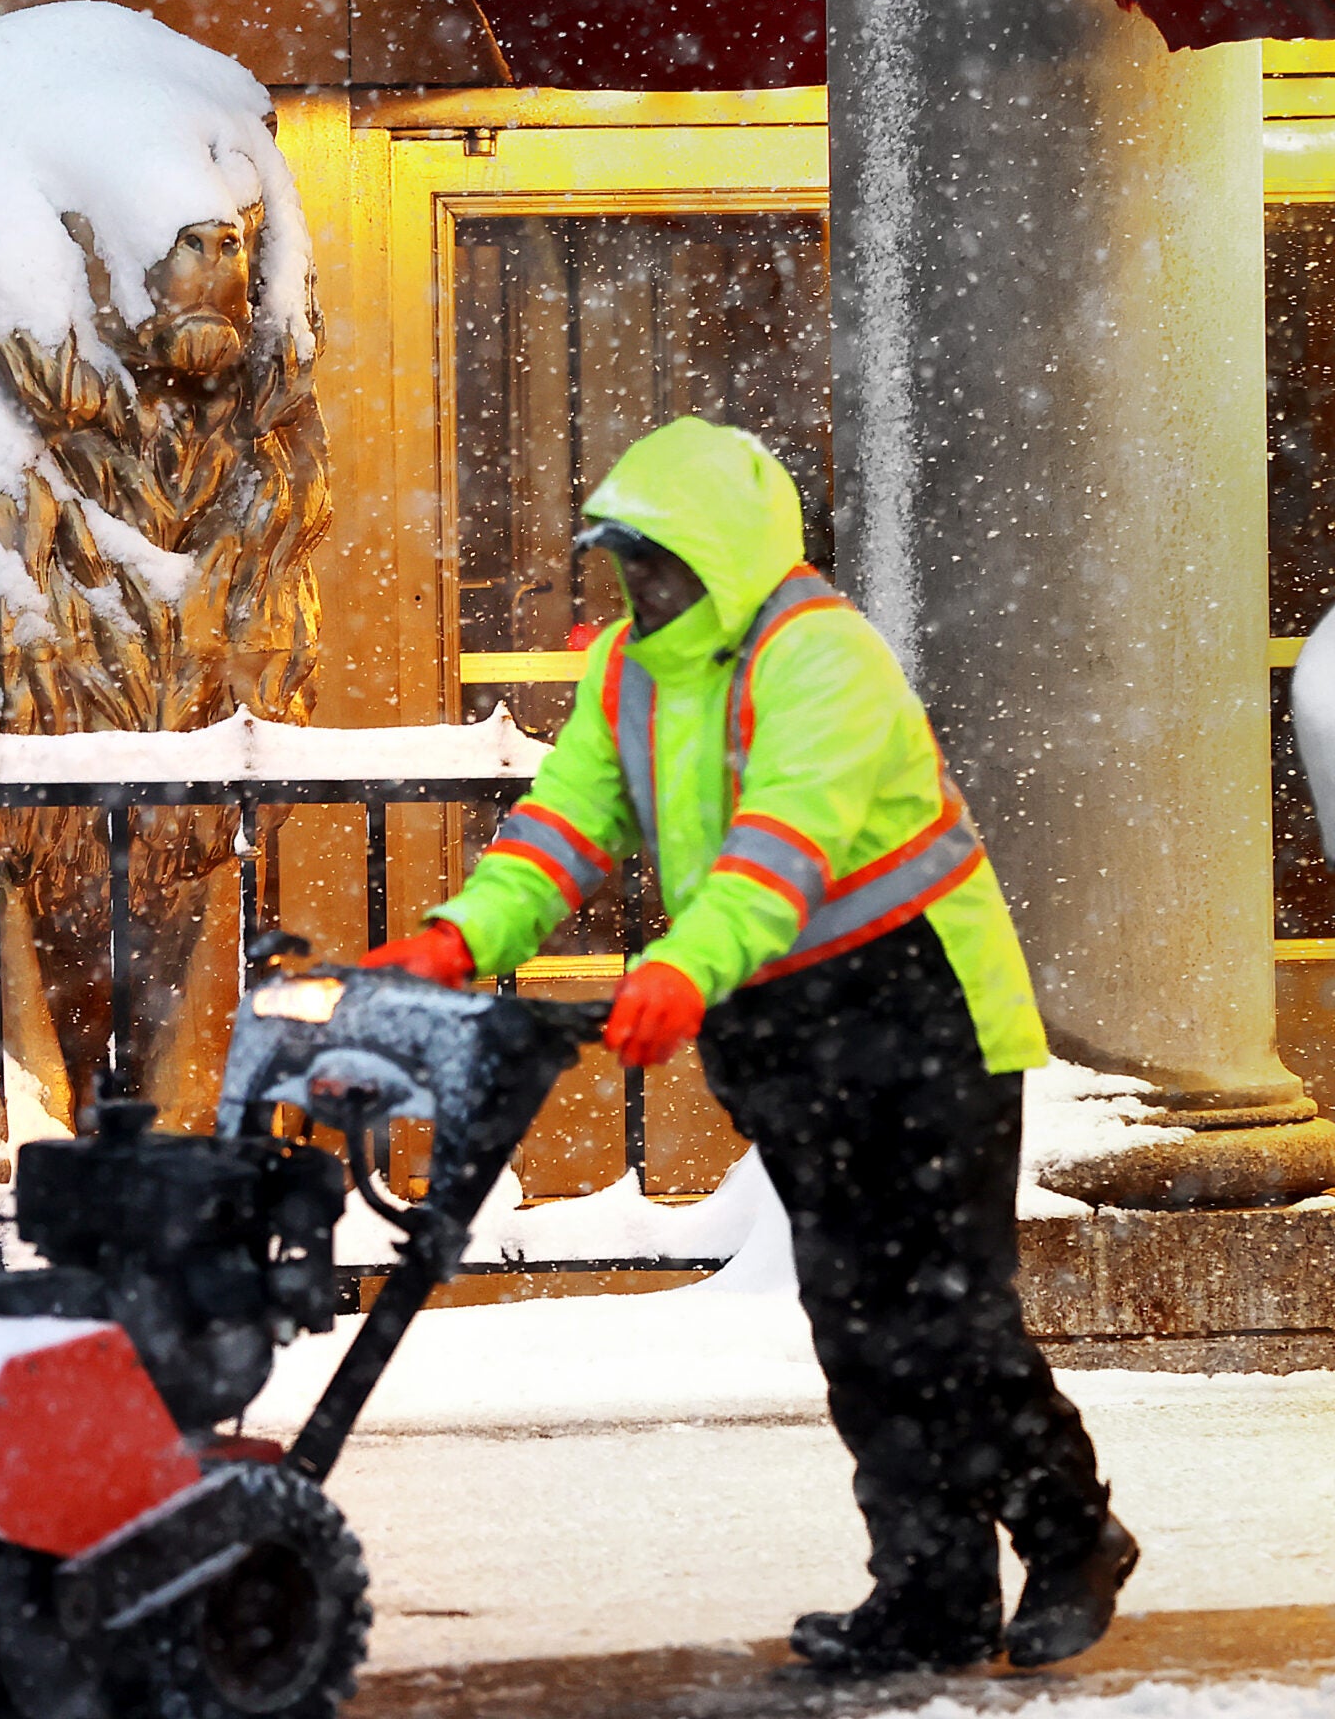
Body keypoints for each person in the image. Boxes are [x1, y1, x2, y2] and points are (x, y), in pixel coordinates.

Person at [364, 416, 1137, 1675]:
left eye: (660, 564)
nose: (640, 588)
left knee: (946, 1318)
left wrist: (679, 967)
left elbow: (782, 846)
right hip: (791, 1032)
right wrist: (460, 938)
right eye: (626, 566)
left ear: (721, 555)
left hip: (921, 1013)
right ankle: (929, 1593)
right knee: (854, 1319)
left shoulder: (821, 656)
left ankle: (1068, 1536)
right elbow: (566, 824)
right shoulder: (630, 671)